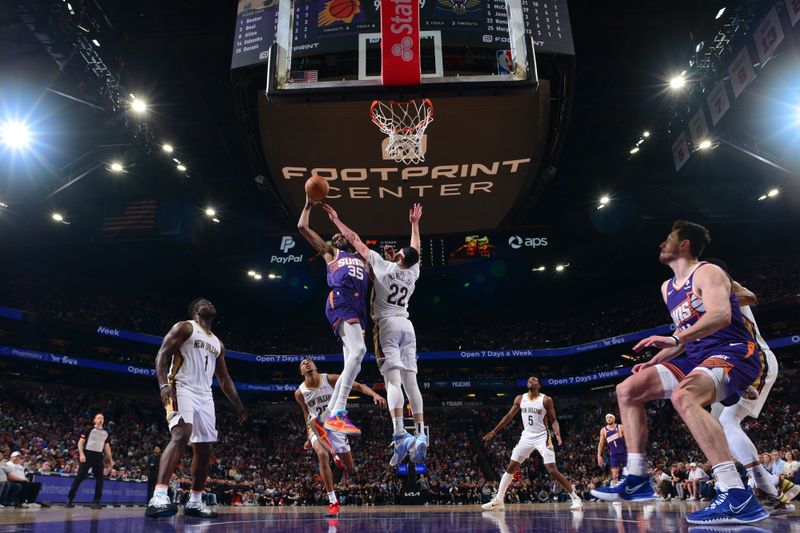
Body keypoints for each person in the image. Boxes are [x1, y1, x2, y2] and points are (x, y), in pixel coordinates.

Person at [594, 220, 767, 524]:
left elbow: (721, 315)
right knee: (628, 389)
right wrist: (655, 359)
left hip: (734, 351)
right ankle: (637, 477)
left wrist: (676, 338)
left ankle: (736, 494)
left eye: (668, 238)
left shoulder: (708, 272)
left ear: (684, 243)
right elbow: (683, 333)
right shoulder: (667, 288)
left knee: (683, 396)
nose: (662, 244)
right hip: (696, 356)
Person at [323, 203, 428, 465]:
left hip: (387, 326)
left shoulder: (382, 265)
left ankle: (400, 433)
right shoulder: (413, 273)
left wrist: (337, 219)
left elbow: (354, 239)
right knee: (411, 383)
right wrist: (415, 224)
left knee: (393, 382)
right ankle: (422, 434)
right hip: (407, 325)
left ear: (398, 257)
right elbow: (416, 250)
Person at [704, 258, 797, 515]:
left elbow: (749, 295)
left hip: (754, 360)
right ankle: (772, 483)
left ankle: (763, 483)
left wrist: (723, 293)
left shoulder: (721, 283)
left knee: (727, 422)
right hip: (731, 365)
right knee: (714, 426)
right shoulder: (696, 299)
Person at [145, 298, 247, 519]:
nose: (210, 303)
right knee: (181, 434)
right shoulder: (185, 326)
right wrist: (163, 385)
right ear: (195, 310)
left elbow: (224, 377)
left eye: (211, 302)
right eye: (204, 302)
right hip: (181, 386)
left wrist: (237, 404)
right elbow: (162, 355)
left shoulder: (218, 343)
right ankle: (159, 496)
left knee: (204, 449)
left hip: (205, 395)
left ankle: (195, 501)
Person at [297, 196, 370, 437]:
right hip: (340, 301)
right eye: (334, 238)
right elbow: (303, 228)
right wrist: (308, 206)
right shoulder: (332, 253)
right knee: (359, 351)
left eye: (342, 236)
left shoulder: (365, 259)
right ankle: (337, 413)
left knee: (355, 365)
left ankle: (327, 415)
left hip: (358, 309)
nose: (337, 239)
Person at [294, 358, 386, 517]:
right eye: (302, 363)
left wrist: (374, 394)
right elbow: (306, 413)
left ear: (315, 366)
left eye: (309, 361)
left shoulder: (330, 379)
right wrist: (309, 437)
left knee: (350, 467)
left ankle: (340, 461)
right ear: (301, 372)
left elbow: (357, 386)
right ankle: (333, 501)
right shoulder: (299, 393)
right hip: (317, 426)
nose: (306, 363)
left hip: (335, 424)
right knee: (322, 455)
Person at [481, 376, 582, 510]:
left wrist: (557, 433)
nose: (530, 381)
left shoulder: (546, 400)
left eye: (534, 380)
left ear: (539, 385)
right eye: (529, 379)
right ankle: (499, 500)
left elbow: (553, 420)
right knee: (511, 466)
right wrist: (494, 431)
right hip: (527, 436)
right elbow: (509, 416)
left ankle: (576, 498)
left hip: (542, 436)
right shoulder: (519, 398)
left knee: (552, 470)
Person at [66, 413, 114, 509]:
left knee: (100, 479)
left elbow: (107, 447)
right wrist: (82, 454)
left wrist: (111, 459)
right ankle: (70, 499)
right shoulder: (89, 430)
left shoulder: (106, 433)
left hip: (98, 456)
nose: (101, 419)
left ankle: (96, 502)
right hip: (87, 454)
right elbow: (80, 443)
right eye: (99, 417)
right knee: (80, 477)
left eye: (102, 418)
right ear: (94, 420)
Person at [596, 413, 626, 483]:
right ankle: (615, 491)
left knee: (629, 472)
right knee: (614, 474)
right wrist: (598, 455)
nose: (608, 419)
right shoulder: (603, 430)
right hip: (614, 454)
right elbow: (601, 443)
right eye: (607, 418)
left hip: (624, 452)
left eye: (610, 417)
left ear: (614, 419)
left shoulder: (620, 427)